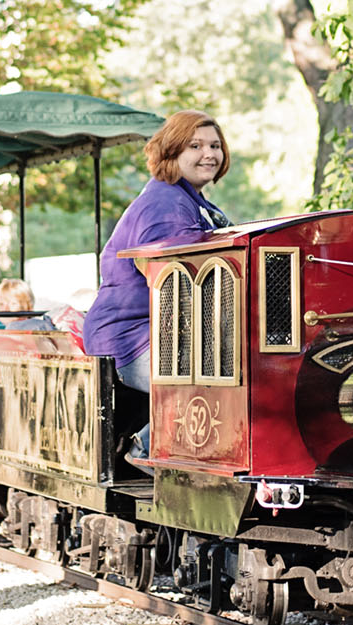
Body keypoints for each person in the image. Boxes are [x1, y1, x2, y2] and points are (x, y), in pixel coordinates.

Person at [82, 110, 233, 464]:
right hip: (131, 339)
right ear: (171, 151)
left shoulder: (189, 200)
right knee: (224, 383)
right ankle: (146, 448)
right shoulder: (166, 205)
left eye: (215, 145)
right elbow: (180, 288)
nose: (209, 154)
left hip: (158, 334)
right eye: (195, 146)